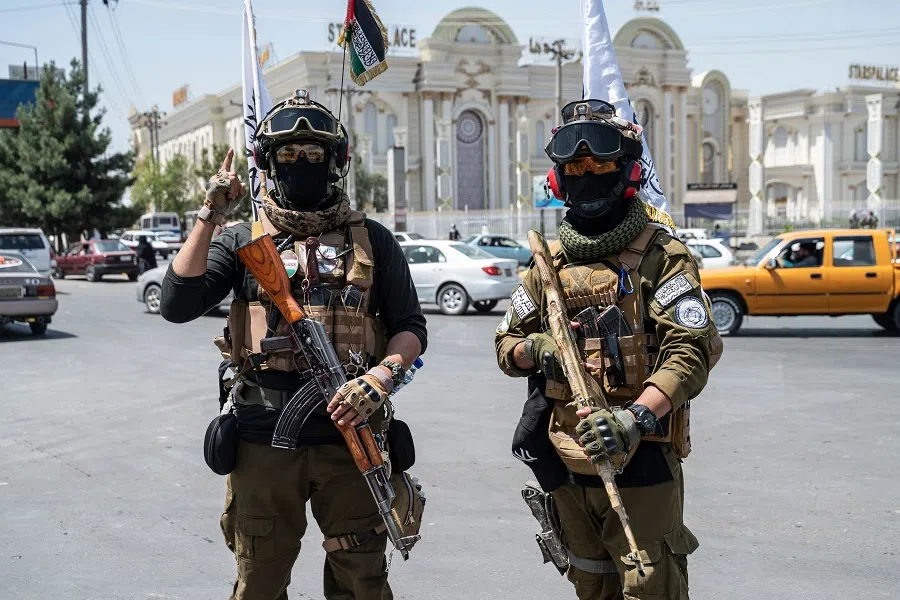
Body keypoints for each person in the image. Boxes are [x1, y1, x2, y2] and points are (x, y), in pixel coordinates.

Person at [160, 89, 427, 600]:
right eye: (287, 154)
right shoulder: (242, 241)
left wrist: (380, 378)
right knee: (259, 580)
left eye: (312, 154)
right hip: (264, 439)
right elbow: (176, 302)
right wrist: (210, 213)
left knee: (362, 580)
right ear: (267, 163)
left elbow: (410, 326)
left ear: (335, 162)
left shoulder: (372, 238)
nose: (300, 163)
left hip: (352, 440)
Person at [495, 99, 722, 600]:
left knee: (649, 586)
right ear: (558, 182)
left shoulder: (660, 256)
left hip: (641, 461)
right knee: (590, 585)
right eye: (576, 167)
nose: (588, 175)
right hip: (566, 459)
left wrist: (635, 419)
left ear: (628, 172)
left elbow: (692, 351)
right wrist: (535, 349)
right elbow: (505, 344)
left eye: (601, 164)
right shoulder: (546, 264)